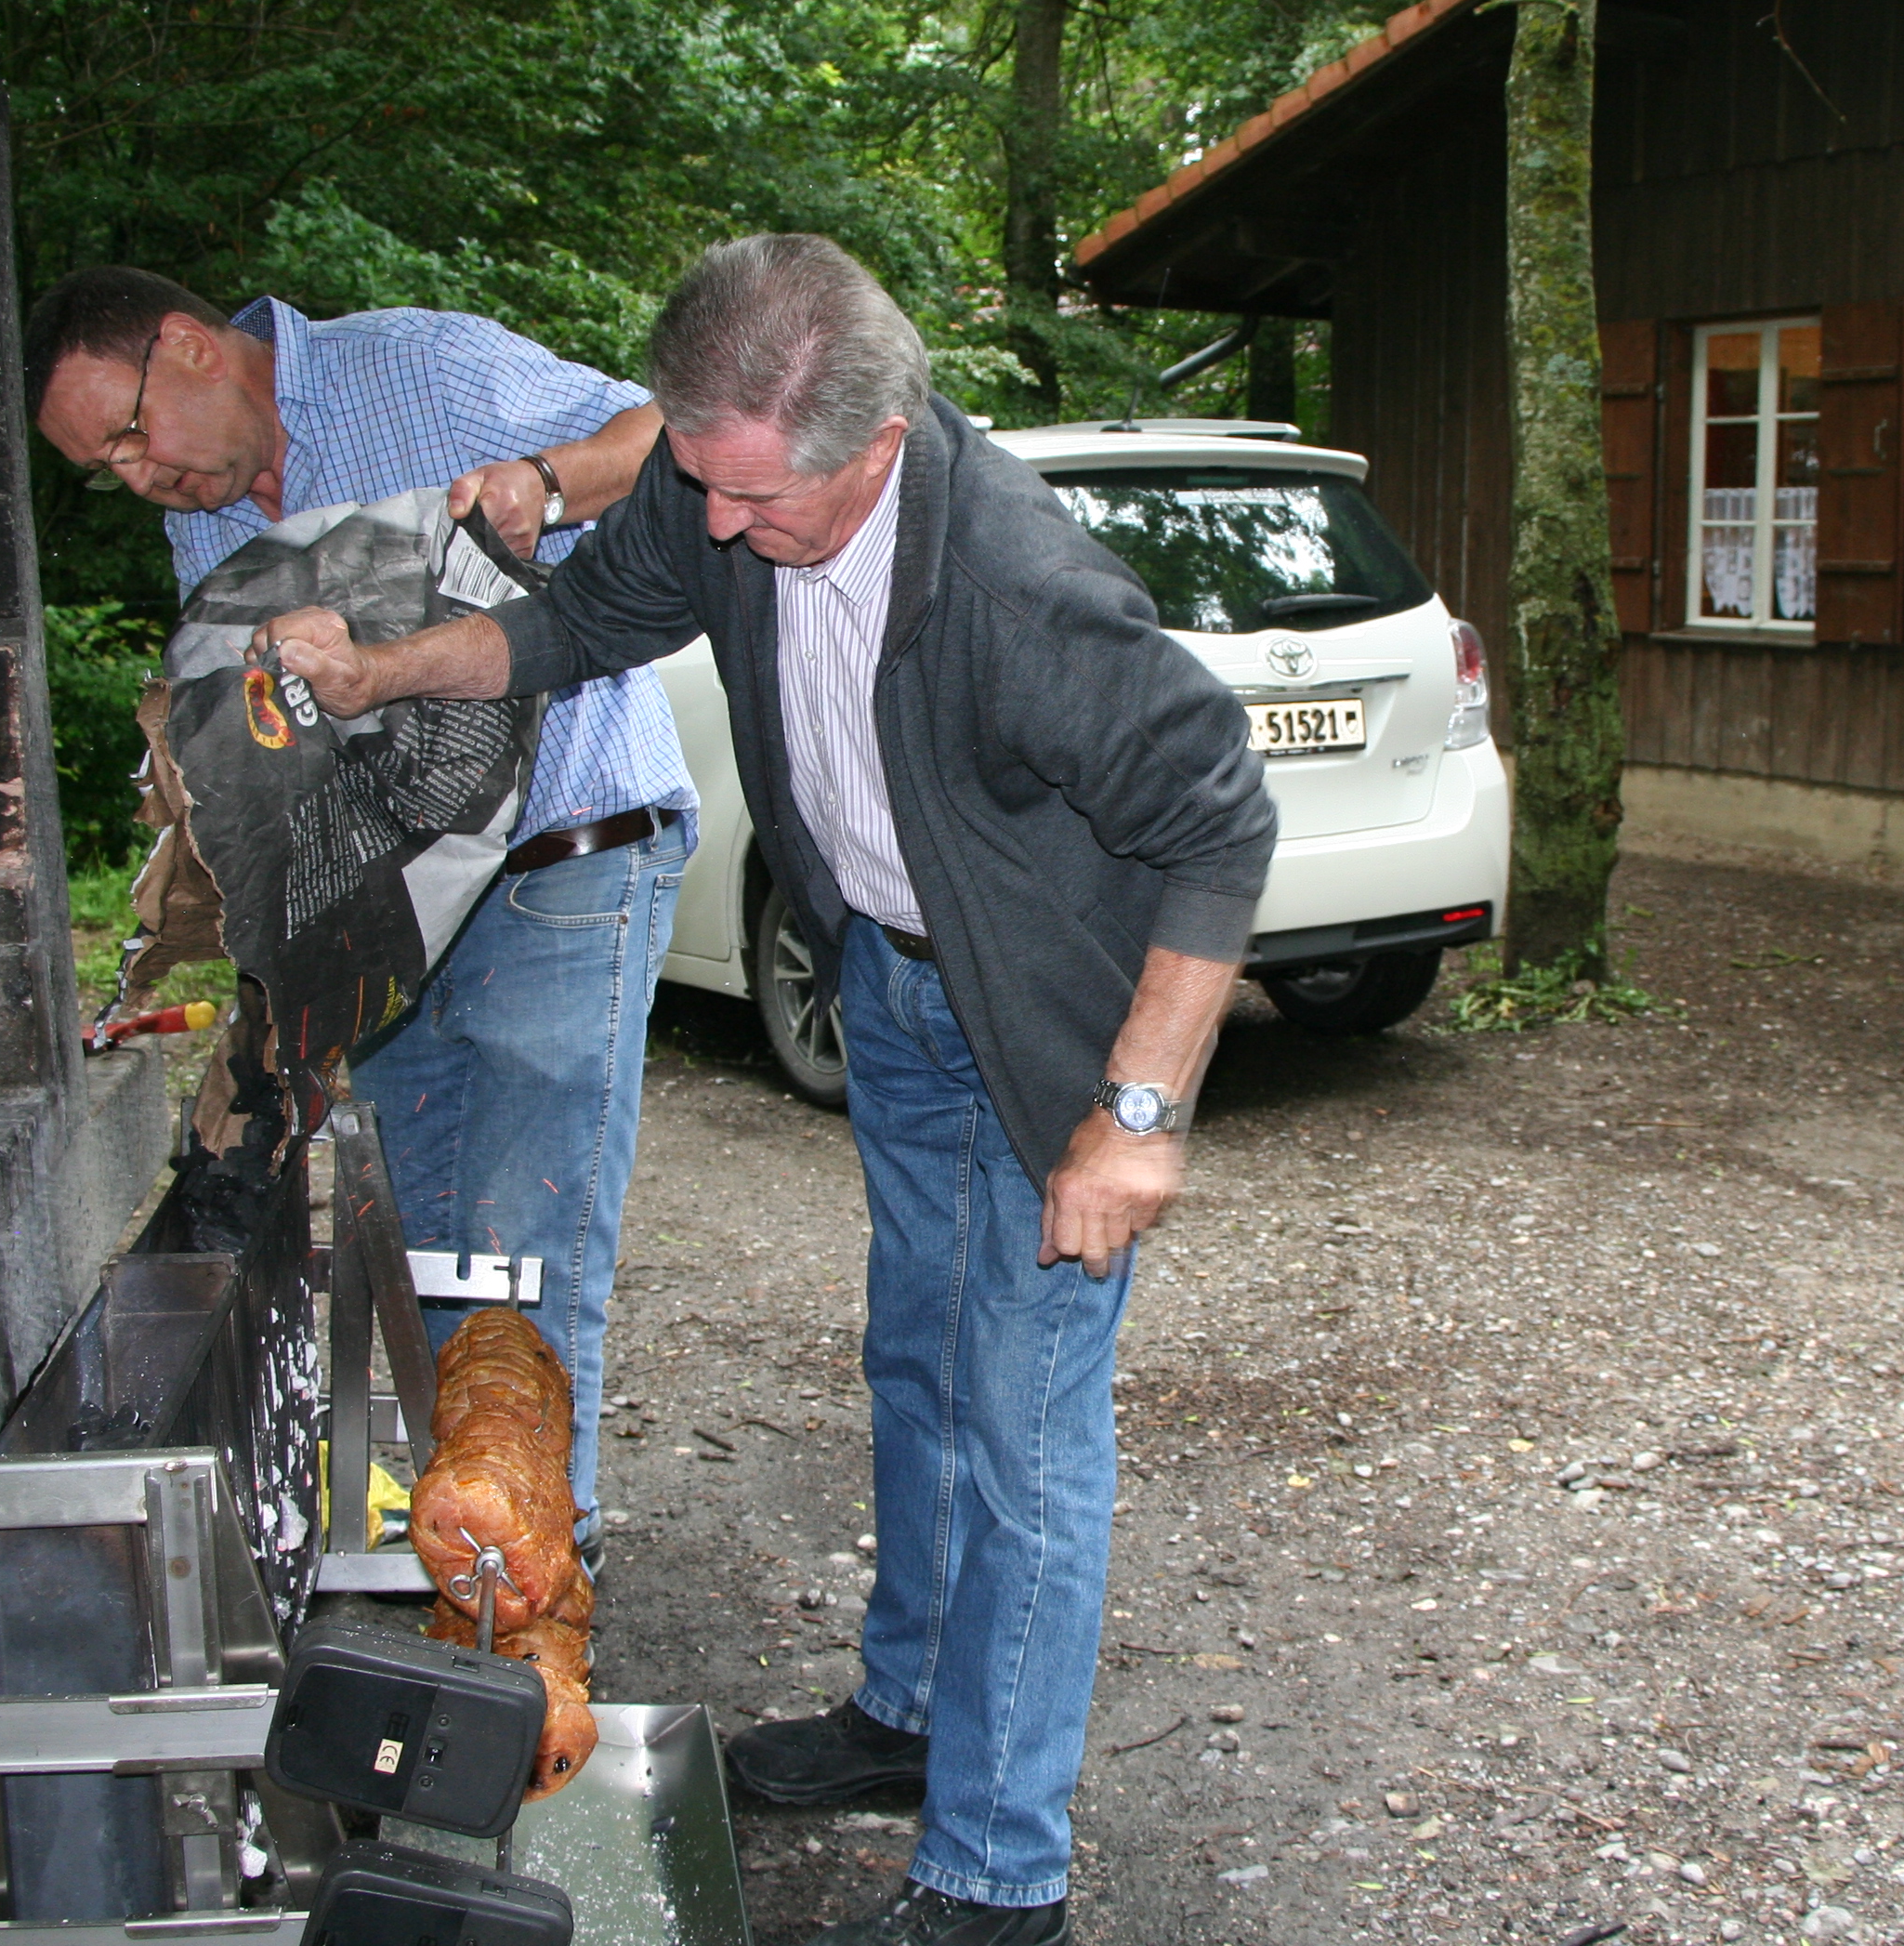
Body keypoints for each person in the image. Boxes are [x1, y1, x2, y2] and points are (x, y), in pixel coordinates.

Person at [256, 234, 1278, 1946]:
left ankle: (998, 1875)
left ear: (871, 445)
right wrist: (379, 669)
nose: (716, 530)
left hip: (1046, 1038)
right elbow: (575, 625)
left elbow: (1220, 826)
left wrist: (1141, 1118)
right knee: (913, 1356)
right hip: (885, 977)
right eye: (702, 485)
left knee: (1024, 1436)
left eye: (755, 504)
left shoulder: (1023, 590)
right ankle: (905, 1715)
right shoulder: (716, 478)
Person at [24, 267, 692, 1553]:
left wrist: (543, 487)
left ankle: (542, 1596)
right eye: (101, 467)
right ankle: (475, 1554)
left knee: (528, 1254)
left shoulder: (418, 368)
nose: (134, 477)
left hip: (566, 850)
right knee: (430, 1249)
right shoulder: (205, 525)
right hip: (386, 916)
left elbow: (671, 432)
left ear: (188, 350)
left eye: (126, 433)